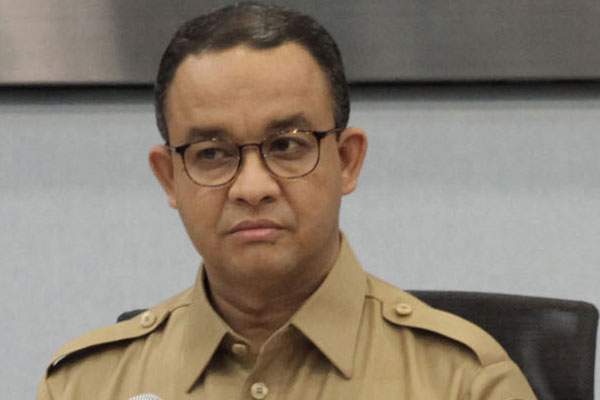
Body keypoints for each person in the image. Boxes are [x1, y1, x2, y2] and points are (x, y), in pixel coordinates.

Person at [37, 3, 537, 399]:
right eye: (212, 153)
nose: (252, 187)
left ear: (347, 161)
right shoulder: (86, 386)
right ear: (169, 178)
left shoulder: (461, 382)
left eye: (286, 146)